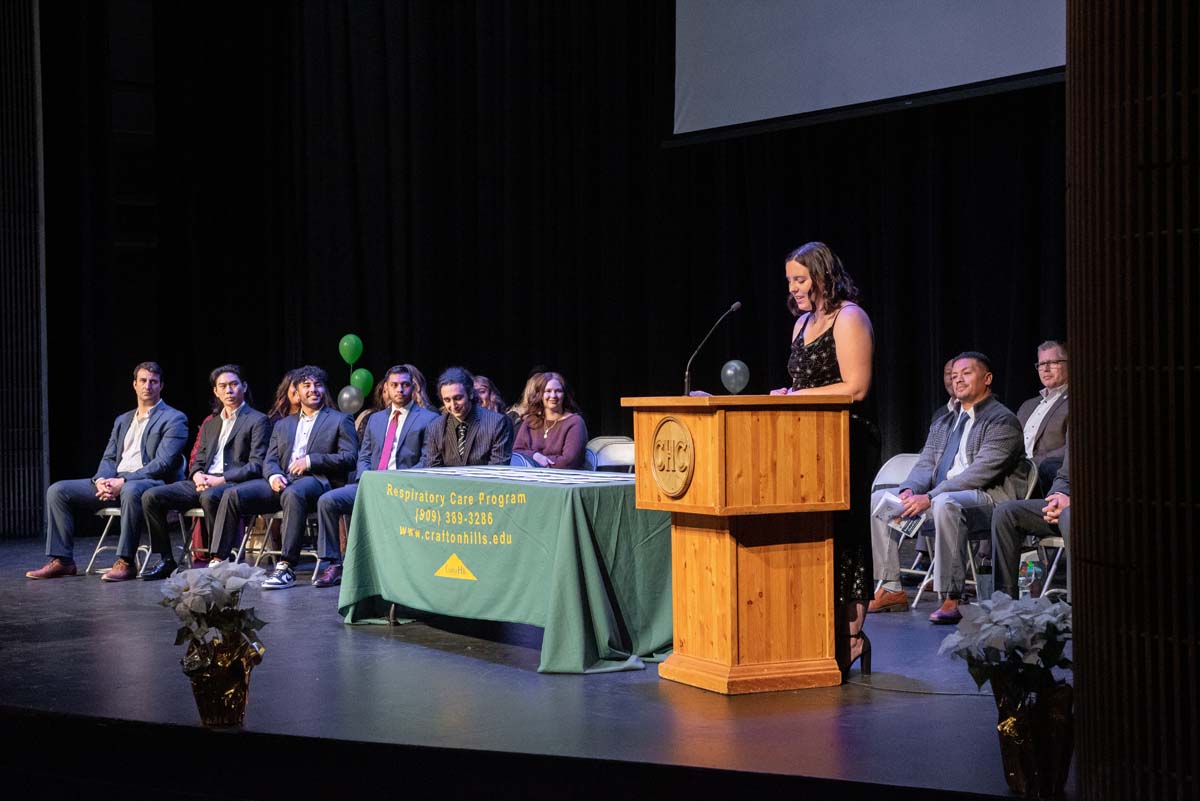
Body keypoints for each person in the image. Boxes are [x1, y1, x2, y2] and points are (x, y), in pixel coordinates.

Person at [768, 242, 879, 679]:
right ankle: (815, 628)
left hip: (848, 440)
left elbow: (856, 387)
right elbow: (802, 386)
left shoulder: (849, 318)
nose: (793, 289)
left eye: (800, 279)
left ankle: (851, 635)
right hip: (806, 443)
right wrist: (786, 397)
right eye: (790, 281)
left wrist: (796, 396)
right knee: (815, 533)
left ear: (822, 277)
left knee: (846, 532)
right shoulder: (800, 325)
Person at [868, 352, 1030, 623]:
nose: (958, 380)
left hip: (987, 500)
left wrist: (930, 496)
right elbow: (925, 463)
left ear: (987, 378)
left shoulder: (1003, 421)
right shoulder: (944, 421)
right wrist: (909, 490)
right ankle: (890, 587)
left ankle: (952, 595)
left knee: (946, 503)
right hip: (939, 499)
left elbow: (980, 474)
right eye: (954, 376)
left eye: (966, 373)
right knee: (880, 500)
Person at [27, 362, 188, 581]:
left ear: (161, 386)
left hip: (152, 483)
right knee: (58, 490)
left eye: (153, 382)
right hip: (116, 482)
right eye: (143, 381)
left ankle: (126, 562)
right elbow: (110, 457)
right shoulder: (123, 420)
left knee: (130, 490)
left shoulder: (174, 418)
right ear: (134, 384)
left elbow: (163, 464)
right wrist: (102, 480)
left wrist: (123, 480)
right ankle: (63, 561)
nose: (147, 386)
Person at [209, 365, 358, 590]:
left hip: (318, 480)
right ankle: (218, 561)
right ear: (296, 392)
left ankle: (286, 566)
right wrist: (273, 475)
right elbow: (269, 459)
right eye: (306, 385)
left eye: (318, 385)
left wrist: (310, 461)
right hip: (283, 479)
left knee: (293, 493)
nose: (313, 389)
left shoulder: (339, 419)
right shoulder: (283, 424)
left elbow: (349, 458)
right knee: (232, 494)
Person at [312, 364, 439, 587]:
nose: (400, 390)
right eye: (394, 385)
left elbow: (427, 460)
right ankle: (334, 564)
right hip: (371, 485)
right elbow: (364, 455)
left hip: (405, 488)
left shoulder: (429, 419)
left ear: (413, 388)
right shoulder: (376, 419)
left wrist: (398, 481)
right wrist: (366, 479)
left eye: (405, 385)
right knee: (327, 501)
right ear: (386, 388)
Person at [139, 365, 270, 579]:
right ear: (216, 391)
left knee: (210, 496)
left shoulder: (258, 420)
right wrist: (197, 475)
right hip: (205, 481)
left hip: (233, 483)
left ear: (244, 387)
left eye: (234, 384)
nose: (229, 390)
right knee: (151, 496)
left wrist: (221, 480)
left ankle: (218, 558)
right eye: (223, 386)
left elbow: (256, 465)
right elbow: (198, 460)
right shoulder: (211, 423)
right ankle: (166, 559)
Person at [992, 446, 1071, 600]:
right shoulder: (1075, 433)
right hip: (1065, 507)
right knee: (1006, 513)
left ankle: (1077, 605)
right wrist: (1057, 497)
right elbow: (1064, 476)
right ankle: (1004, 603)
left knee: (1069, 515)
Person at [418, 367, 512, 467]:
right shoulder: (436, 427)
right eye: (447, 400)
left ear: (470, 393)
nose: (453, 405)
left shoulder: (497, 423)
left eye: (458, 398)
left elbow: (497, 469)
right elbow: (433, 470)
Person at [1015, 340, 1069, 492]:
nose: (1045, 369)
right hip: (1015, 475)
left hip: (1046, 475)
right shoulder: (1027, 406)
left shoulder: (1076, 401)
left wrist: (1033, 464)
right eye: (1041, 364)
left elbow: (1073, 447)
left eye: (1053, 362)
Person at [513, 372, 588, 469]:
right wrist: (535, 456)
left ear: (564, 395)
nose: (553, 395)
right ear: (540, 395)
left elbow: (568, 462)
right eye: (548, 391)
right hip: (531, 476)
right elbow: (516, 452)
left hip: (563, 477)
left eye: (558, 391)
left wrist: (537, 462)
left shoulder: (575, 422)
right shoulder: (530, 421)